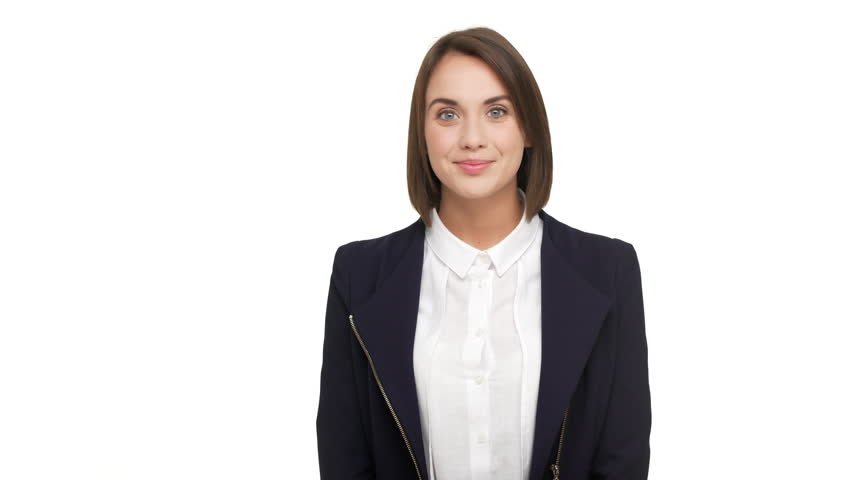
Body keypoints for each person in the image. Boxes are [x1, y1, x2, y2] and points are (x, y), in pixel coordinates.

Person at [316, 26, 651, 480]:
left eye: (496, 111)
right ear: (423, 132)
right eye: (448, 114)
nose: (472, 138)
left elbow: (622, 457)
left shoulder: (608, 271)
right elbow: (344, 457)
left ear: (528, 127)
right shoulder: (360, 275)